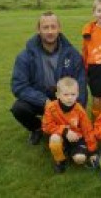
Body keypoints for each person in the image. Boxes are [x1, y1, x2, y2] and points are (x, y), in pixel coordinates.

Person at [10, 11, 87, 146]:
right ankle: (37, 128)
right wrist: (43, 101)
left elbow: (81, 82)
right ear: (38, 30)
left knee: (72, 130)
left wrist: (78, 109)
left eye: (53, 27)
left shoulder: (72, 54)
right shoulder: (25, 56)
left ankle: (62, 126)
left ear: (59, 28)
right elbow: (19, 86)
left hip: (63, 98)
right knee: (19, 108)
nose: (50, 31)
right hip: (41, 99)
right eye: (45, 27)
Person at [42, 77, 97, 173]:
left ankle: (72, 152)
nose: (70, 97)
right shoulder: (51, 107)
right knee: (54, 138)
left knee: (80, 160)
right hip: (60, 137)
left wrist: (92, 151)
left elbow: (87, 130)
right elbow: (46, 126)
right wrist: (65, 131)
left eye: (73, 94)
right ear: (58, 95)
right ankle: (60, 160)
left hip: (76, 139)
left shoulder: (79, 110)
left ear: (77, 95)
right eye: (66, 94)